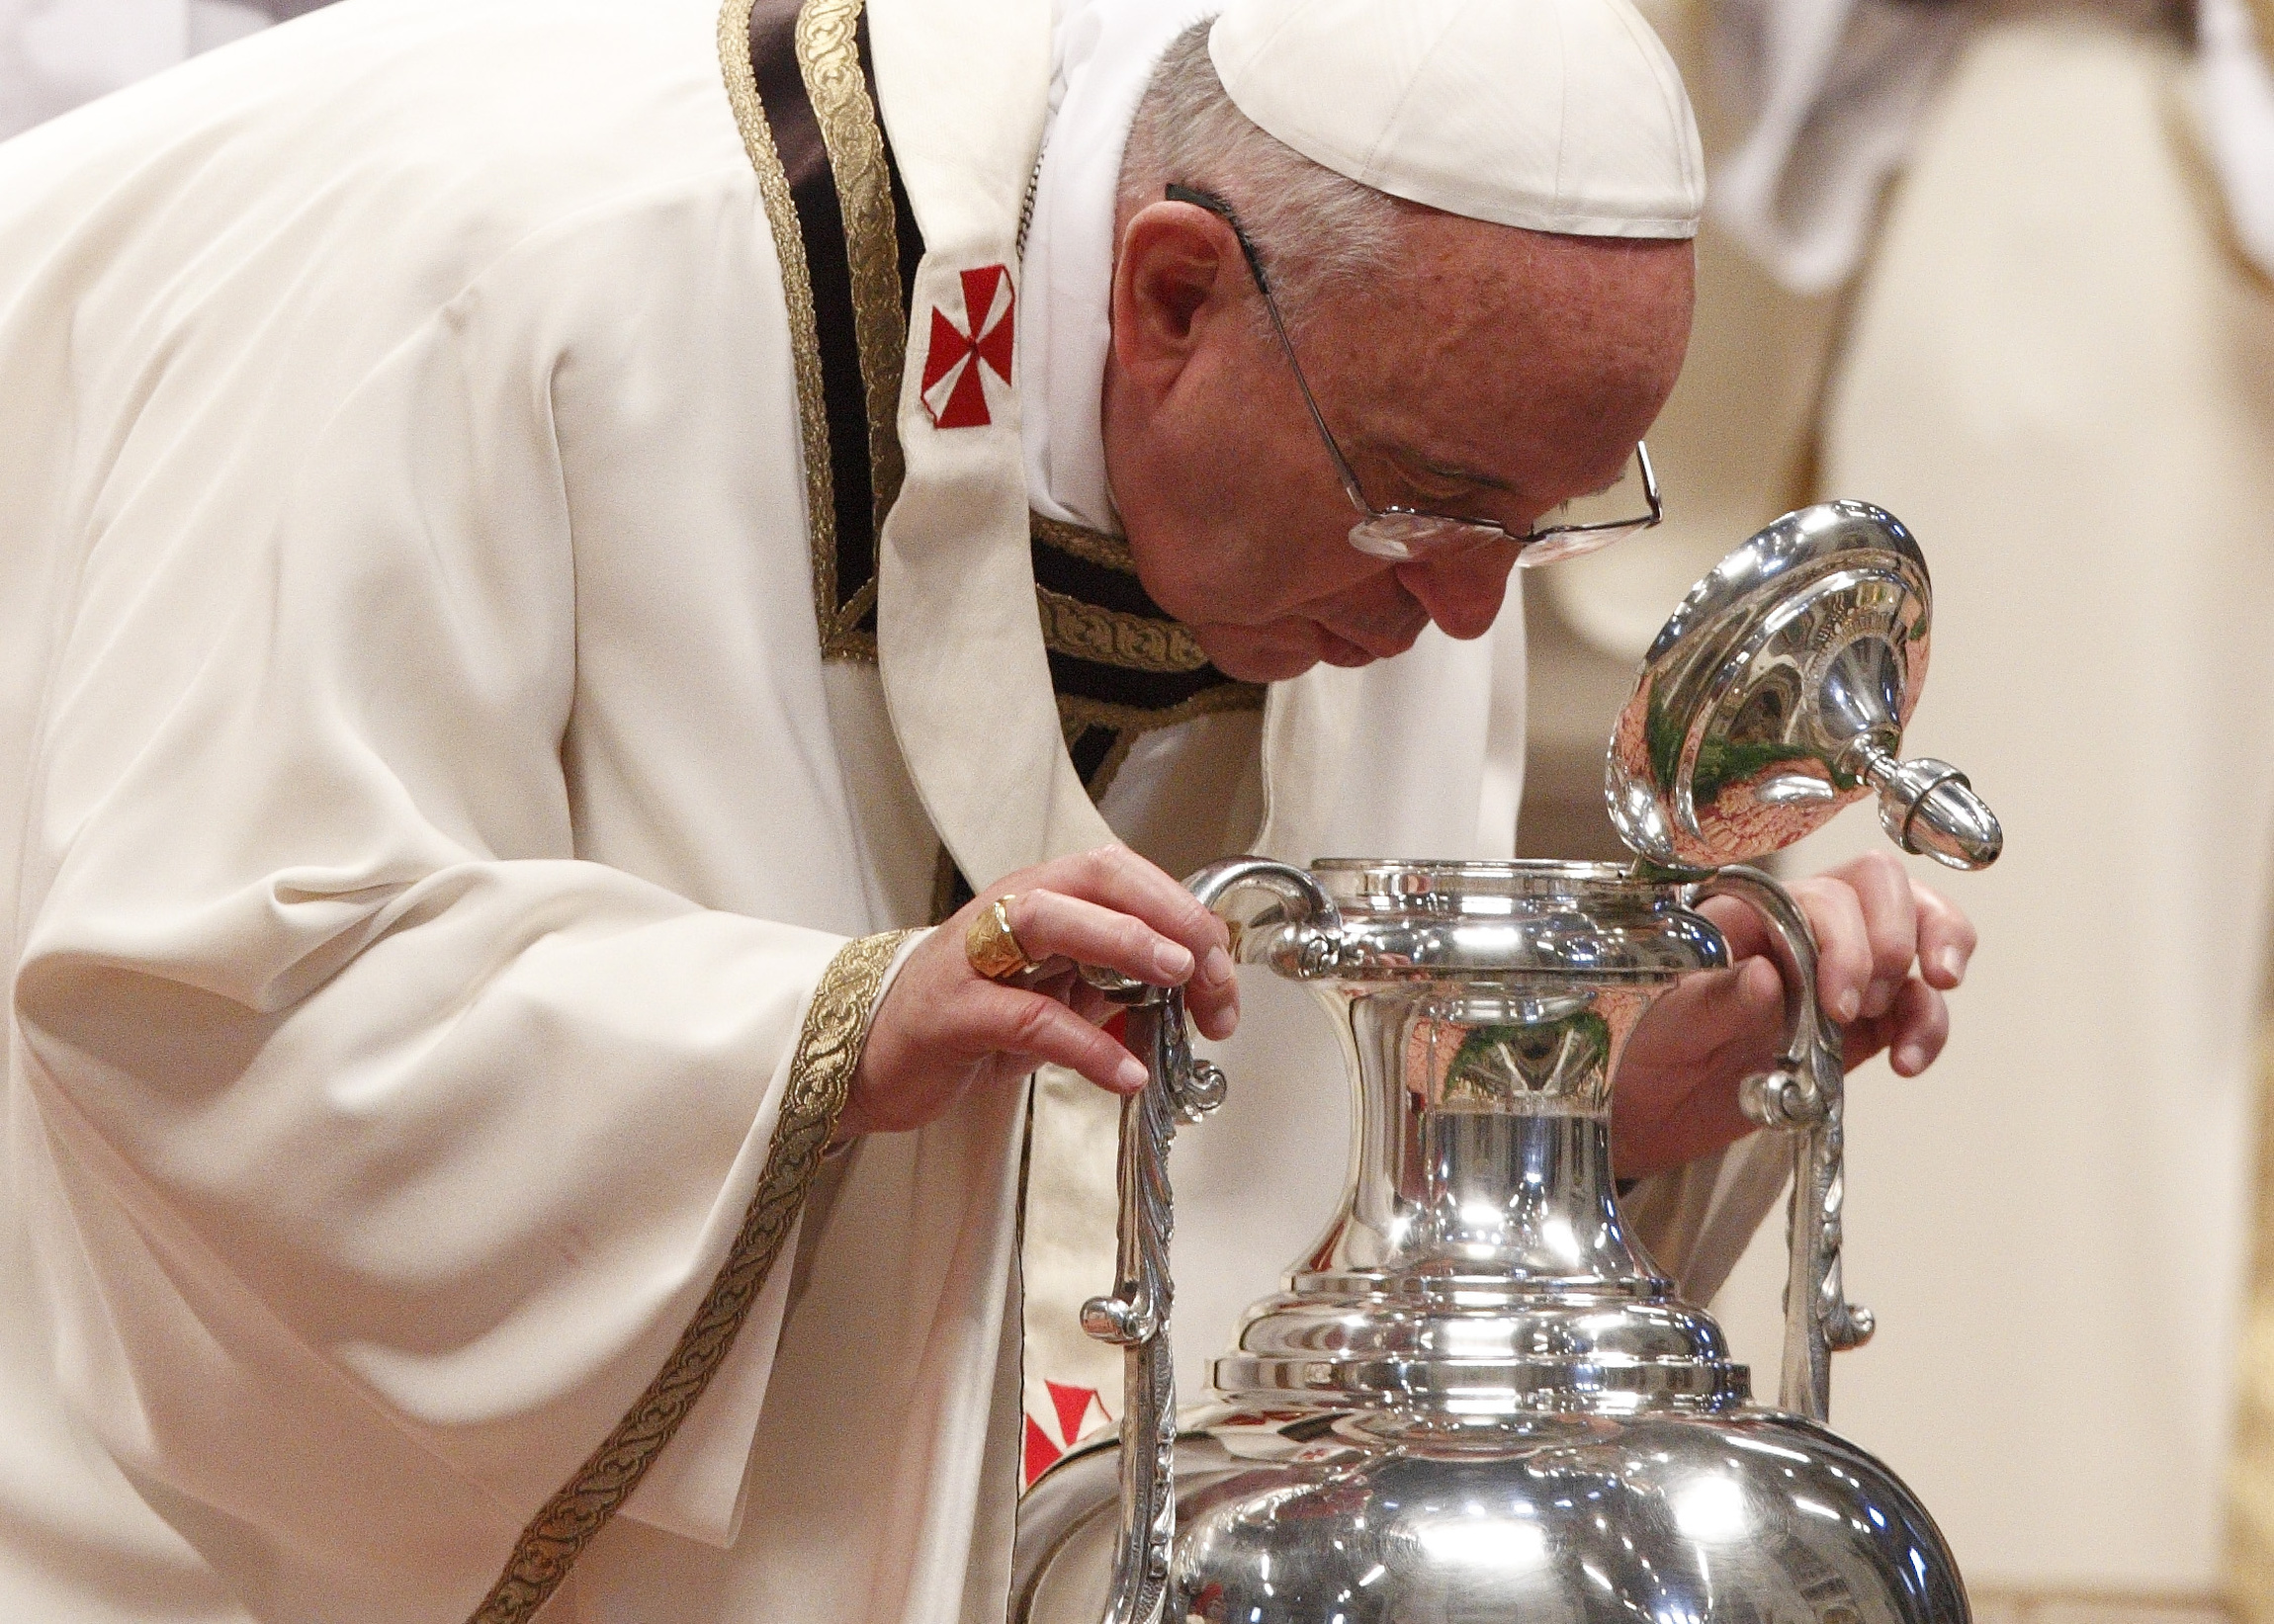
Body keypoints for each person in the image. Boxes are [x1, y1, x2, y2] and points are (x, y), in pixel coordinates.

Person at [0, 0, 1975, 1618]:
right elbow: (206, 995)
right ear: (1170, 293)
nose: (1463, 610)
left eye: (1540, 531)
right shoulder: (502, 260)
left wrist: (1574, 1121)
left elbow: (1217, 1241)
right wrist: (827, 1036)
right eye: (1436, 507)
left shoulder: (1386, 424)